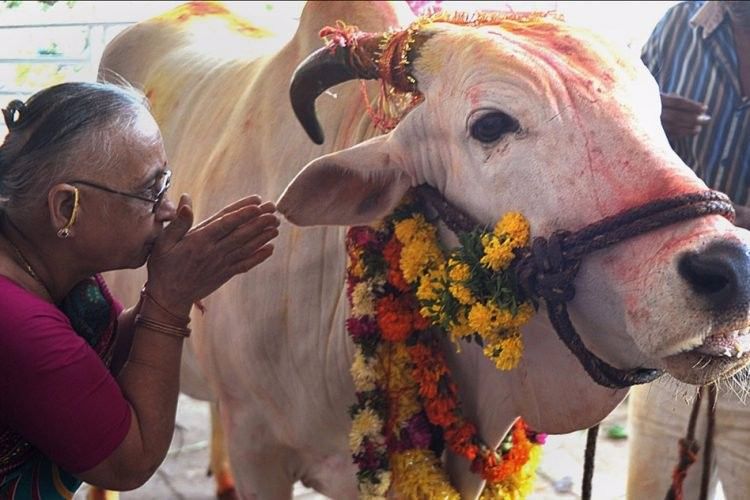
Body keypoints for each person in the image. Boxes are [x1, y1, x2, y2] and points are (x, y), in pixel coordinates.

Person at [0, 81, 280, 498]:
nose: (167, 211)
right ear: (65, 208)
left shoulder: (44, 255)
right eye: (151, 191)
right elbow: (130, 460)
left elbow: (99, 358)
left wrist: (173, 287)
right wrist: (169, 302)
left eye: (164, 185)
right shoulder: (16, 321)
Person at [628, 2, 750, 499]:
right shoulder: (680, 25)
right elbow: (618, 147)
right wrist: (649, 119)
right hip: (676, 317)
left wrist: (730, 219)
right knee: (659, 486)